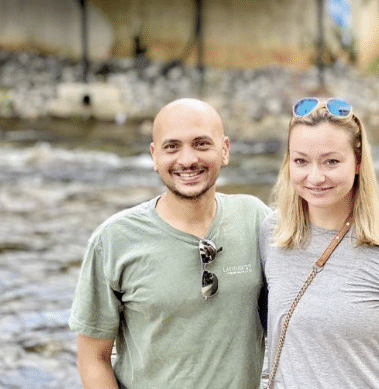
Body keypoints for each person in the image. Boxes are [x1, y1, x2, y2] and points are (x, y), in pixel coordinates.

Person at [69, 98, 270, 389]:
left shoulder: (255, 219)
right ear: (154, 156)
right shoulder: (113, 240)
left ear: (224, 150)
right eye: (172, 146)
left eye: (201, 144)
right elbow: (92, 358)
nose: (187, 160)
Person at [260, 97, 379, 389]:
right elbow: (271, 345)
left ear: (357, 162)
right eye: (301, 161)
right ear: (288, 162)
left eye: (331, 161)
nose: (315, 177)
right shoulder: (273, 233)